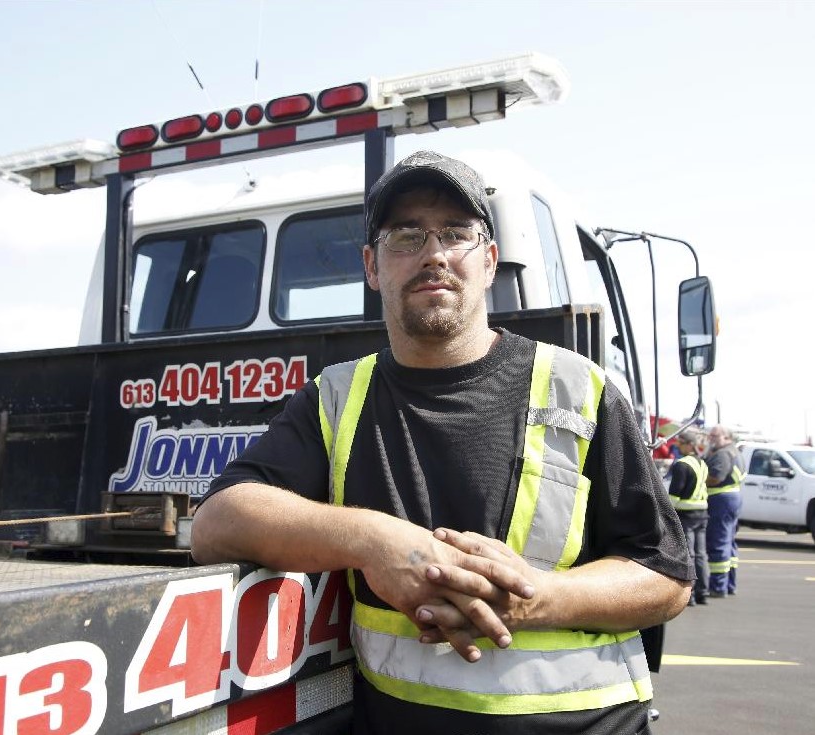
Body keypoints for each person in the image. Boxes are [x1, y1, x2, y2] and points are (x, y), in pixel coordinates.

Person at [192, 150, 693, 735]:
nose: (433, 254)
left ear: (488, 261)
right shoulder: (336, 397)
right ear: (372, 266)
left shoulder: (581, 390)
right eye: (406, 237)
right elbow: (216, 523)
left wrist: (539, 598)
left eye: (456, 234)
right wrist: (377, 540)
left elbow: (666, 578)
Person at [668, 431, 710, 605]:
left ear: (687, 444)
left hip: (686, 514)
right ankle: (703, 593)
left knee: (689, 555)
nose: (677, 446)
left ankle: (690, 595)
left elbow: (674, 495)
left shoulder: (682, 465)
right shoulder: (702, 463)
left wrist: (667, 511)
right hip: (702, 512)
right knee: (701, 554)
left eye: (679, 443)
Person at [705, 425, 744, 596]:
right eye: (710, 435)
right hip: (731, 498)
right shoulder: (734, 451)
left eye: (715, 435)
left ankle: (718, 587)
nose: (711, 438)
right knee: (729, 542)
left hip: (720, 500)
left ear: (727, 437)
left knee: (719, 542)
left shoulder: (722, 454)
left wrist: (697, 479)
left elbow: (715, 478)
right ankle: (729, 584)